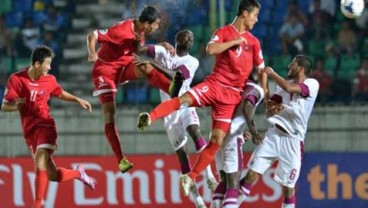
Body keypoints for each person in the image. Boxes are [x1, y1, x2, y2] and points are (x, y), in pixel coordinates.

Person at [137, 0, 266, 197]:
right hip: (215, 85)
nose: (257, 19)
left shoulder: (255, 43)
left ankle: (191, 176)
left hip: (231, 96)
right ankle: (150, 117)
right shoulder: (224, 32)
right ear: (245, 13)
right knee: (183, 101)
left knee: (215, 140)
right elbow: (211, 49)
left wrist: (265, 93)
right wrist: (235, 42)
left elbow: (261, 69)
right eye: (255, 15)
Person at [1, 46, 95, 208]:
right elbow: (4, 106)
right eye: (48, 64)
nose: (50, 67)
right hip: (29, 131)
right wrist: (16, 106)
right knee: (53, 175)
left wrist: (78, 100)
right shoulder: (16, 79)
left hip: (46, 124)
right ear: (37, 64)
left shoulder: (50, 80)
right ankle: (78, 173)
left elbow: (59, 92)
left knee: (39, 160)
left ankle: (37, 205)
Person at [86, 5, 175, 173]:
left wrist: (160, 45)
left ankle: (174, 90)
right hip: (105, 71)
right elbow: (93, 35)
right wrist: (92, 52)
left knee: (145, 67)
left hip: (123, 66)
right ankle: (121, 159)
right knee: (110, 115)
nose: (156, 28)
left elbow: (138, 48)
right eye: (156, 24)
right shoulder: (121, 30)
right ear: (147, 23)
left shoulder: (140, 31)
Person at [134, 30, 217, 208]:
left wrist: (153, 64)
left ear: (191, 44)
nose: (189, 38)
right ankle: (199, 202)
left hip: (185, 103)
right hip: (169, 112)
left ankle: (209, 175)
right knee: (183, 155)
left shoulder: (192, 61)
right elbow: (140, 48)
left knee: (196, 132)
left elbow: (175, 77)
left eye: (191, 37)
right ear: (177, 39)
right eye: (185, 36)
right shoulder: (163, 52)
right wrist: (154, 42)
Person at [238, 55, 319, 208]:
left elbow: (290, 89)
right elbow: (269, 106)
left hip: (293, 141)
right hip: (274, 135)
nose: (289, 65)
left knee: (288, 189)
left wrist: (272, 74)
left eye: (293, 64)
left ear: (301, 69)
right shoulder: (282, 86)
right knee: (250, 175)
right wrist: (271, 105)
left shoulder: (312, 84)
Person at [211, 79, 264, 208]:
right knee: (233, 185)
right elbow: (247, 106)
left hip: (217, 132)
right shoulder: (255, 89)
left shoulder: (231, 83)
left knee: (224, 181)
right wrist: (254, 132)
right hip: (231, 137)